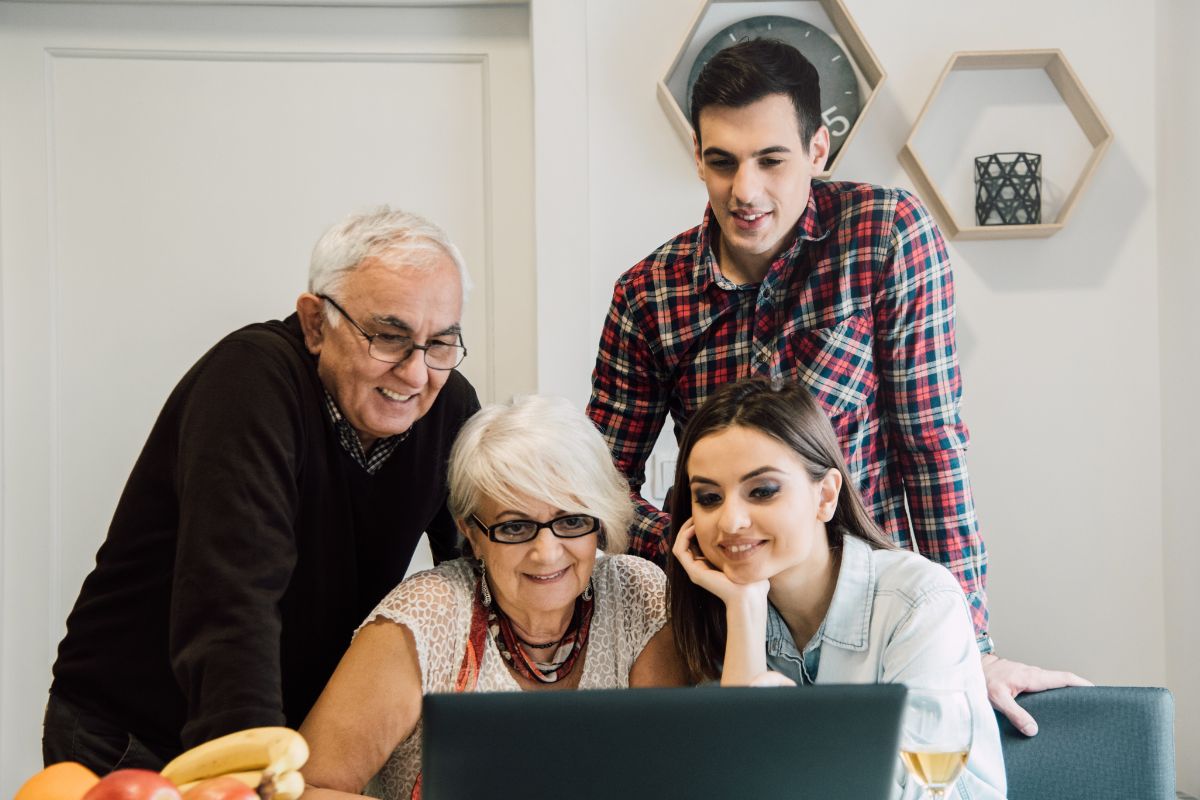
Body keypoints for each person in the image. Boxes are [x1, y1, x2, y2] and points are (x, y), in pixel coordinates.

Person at [586, 38, 1087, 733]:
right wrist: (698, 539)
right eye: (722, 162)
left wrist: (971, 644)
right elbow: (599, 483)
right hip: (719, 620)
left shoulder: (886, 237)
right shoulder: (649, 294)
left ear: (819, 149)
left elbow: (931, 447)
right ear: (697, 155)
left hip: (866, 610)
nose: (746, 191)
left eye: (771, 160)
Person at [44, 208, 481, 772]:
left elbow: (480, 564)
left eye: (440, 344)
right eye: (389, 337)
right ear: (316, 323)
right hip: (136, 734)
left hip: (285, 733)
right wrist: (251, 768)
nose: (417, 374)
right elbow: (233, 593)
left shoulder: (448, 405)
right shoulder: (250, 380)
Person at [298, 395, 686, 799]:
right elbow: (300, 789)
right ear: (471, 532)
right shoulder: (425, 619)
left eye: (572, 521)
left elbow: (672, 774)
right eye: (515, 527)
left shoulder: (637, 594)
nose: (547, 553)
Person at [669, 377, 1005, 799]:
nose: (731, 521)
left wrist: (804, 734)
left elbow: (933, 794)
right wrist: (743, 608)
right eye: (709, 498)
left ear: (826, 495)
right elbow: (736, 786)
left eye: (762, 491)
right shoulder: (720, 609)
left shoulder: (918, 601)